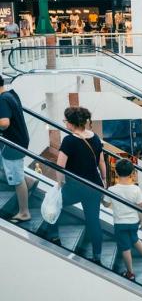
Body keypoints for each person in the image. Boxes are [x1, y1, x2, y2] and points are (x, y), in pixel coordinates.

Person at [45, 107, 106, 264]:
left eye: (65, 121)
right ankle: (97, 256)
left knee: (54, 204)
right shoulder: (95, 137)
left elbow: (60, 166)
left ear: (72, 123)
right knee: (93, 221)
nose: (65, 124)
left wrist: (60, 184)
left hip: (76, 187)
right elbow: (101, 162)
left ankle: (54, 236)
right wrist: (104, 180)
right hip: (94, 186)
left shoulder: (69, 140)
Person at [103, 159, 142, 281]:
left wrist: (102, 196)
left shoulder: (112, 190)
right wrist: (141, 222)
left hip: (120, 224)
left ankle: (130, 273)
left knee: (125, 247)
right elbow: (141, 208)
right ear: (132, 173)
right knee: (135, 239)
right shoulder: (136, 189)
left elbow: (105, 204)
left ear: (116, 172)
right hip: (133, 222)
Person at [0, 76, 36, 223]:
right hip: (20, 141)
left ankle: (24, 212)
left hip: (13, 145)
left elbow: (4, 123)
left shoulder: (2, 100)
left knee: (16, 179)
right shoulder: (10, 94)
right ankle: (30, 182)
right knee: (11, 171)